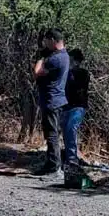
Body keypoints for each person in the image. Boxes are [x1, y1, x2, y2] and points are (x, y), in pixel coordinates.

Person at [33, 28, 70, 178]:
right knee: (51, 134)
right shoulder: (64, 56)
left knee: (52, 134)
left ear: (53, 41)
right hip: (56, 99)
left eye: (47, 41)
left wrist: (41, 58)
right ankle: (50, 164)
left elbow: (37, 72)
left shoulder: (56, 59)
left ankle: (55, 167)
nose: (46, 44)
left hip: (52, 99)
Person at [62, 48, 89, 168]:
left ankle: (72, 158)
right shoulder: (66, 72)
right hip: (66, 106)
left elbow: (77, 84)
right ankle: (68, 157)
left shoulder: (83, 73)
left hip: (78, 107)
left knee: (71, 129)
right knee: (66, 132)